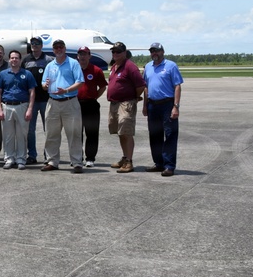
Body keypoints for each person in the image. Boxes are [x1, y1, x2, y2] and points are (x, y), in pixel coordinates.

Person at [41, 39, 84, 173]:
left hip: (69, 102)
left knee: (74, 133)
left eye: (61, 47)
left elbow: (80, 81)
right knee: (51, 134)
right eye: (56, 48)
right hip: (53, 102)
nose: (58, 49)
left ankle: (77, 162)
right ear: (53, 50)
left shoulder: (73, 63)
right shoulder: (50, 65)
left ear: (65, 48)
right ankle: (52, 161)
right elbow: (43, 84)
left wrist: (66, 90)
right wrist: (45, 85)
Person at [142, 42, 183, 177]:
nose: (154, 53)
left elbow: (177, 86)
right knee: (154, 135)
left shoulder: (171, 66)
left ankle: (169, 166)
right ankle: (158, 163)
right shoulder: (148, 67)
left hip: (167, 104)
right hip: (152, 105)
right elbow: (146, 87)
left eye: (157, 51)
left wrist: (175, 107)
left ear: (163, 51)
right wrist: (145, 105)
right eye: (152, 51)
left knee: (170, 135)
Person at [106, 41, 145, 174]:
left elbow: (140, 85)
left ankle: (129, 161)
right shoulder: (114, 66)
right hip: (114, 103)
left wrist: (133, 97)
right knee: (120, 131)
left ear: (124, 53)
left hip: (125, 103)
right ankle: (124, 158)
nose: (115, 54)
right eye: (113, 52)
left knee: (126, 132)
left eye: (118, 51)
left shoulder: (130, 66)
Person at [0, 49, 36, 170]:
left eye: (16, 58)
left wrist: (30, 109)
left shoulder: (27, 74)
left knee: (21, 135)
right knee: (8, 135)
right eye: (12, 58)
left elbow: (32, 92)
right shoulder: (3, 74)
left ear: (20, 60)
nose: (14, 60)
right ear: (9, 60)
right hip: (6, 106)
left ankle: (21, 159)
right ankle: (9, 159)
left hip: (22, 106)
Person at [76, 46, 108, 167]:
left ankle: (90, 158)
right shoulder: (74, 69)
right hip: (76, 104)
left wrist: (94, 97)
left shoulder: (96, 70)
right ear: (77, 56)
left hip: (91, 105)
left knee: (92, 133)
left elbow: (103, 87)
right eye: (81, 54)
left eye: (85, 54)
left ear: (89, 56)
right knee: (76, 133)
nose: (83, 57)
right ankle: (77, 157)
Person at [22, 36, 49, 164]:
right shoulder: (26, 60)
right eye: (33, 43)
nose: (35, 45)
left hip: (46, 100)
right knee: (30, 130)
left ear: (41, 45)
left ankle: (48, 155)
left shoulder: (48, 60)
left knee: (48, 129)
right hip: (30, 101)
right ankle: (32, 155)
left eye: (37, 43)